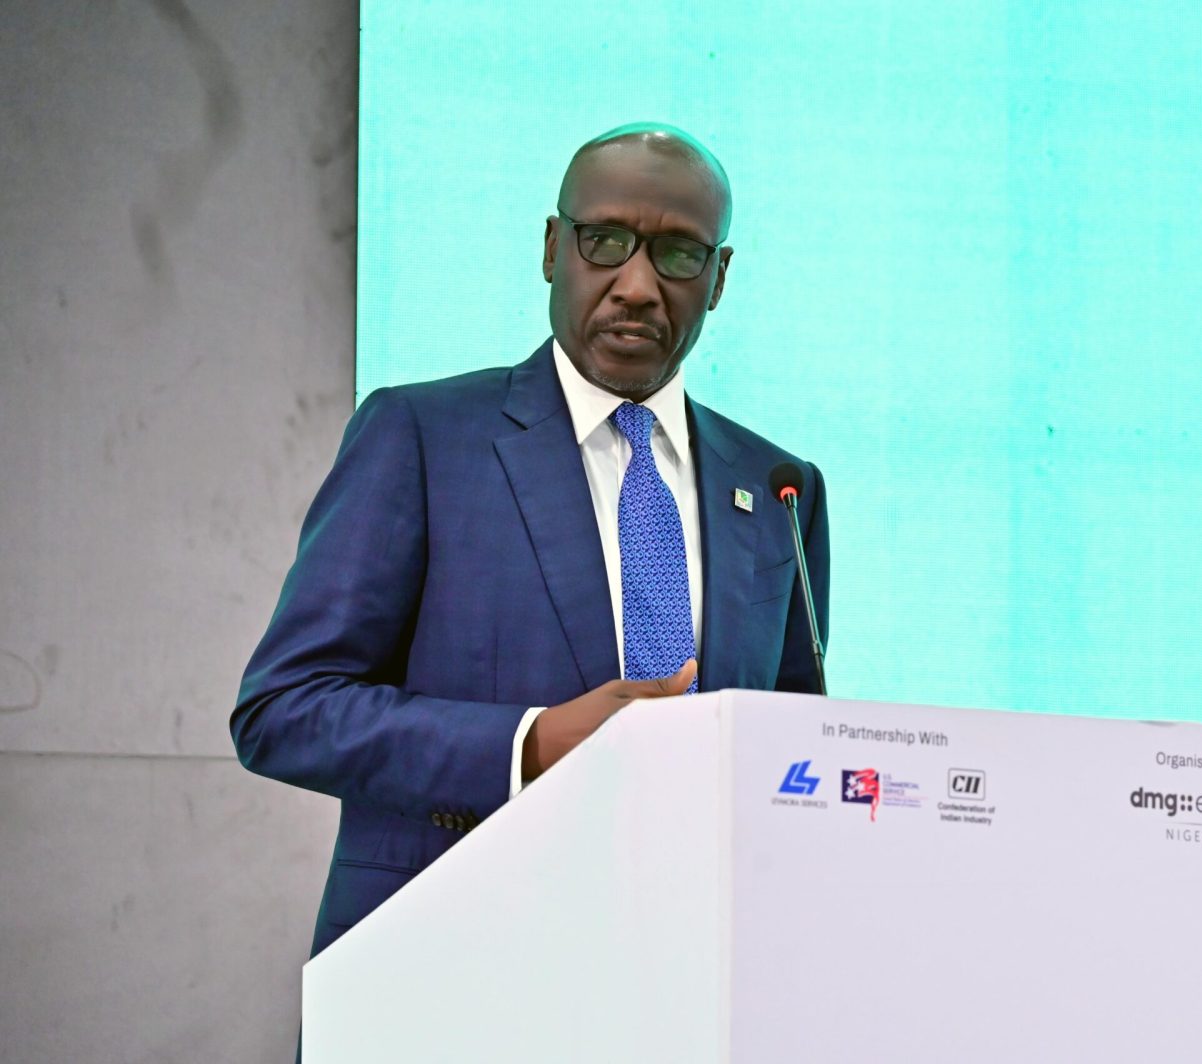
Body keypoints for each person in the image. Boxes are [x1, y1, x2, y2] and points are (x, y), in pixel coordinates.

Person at [232, 123, 829, 959]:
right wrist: (529, 744)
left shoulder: (777, 487)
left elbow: (793, 748)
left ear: (719, 278)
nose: (637, 286)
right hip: (454, 962)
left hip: (694, 969)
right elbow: (285, 711)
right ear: (553, 248)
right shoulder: (422, 437)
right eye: (604, 240)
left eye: (678, 254)